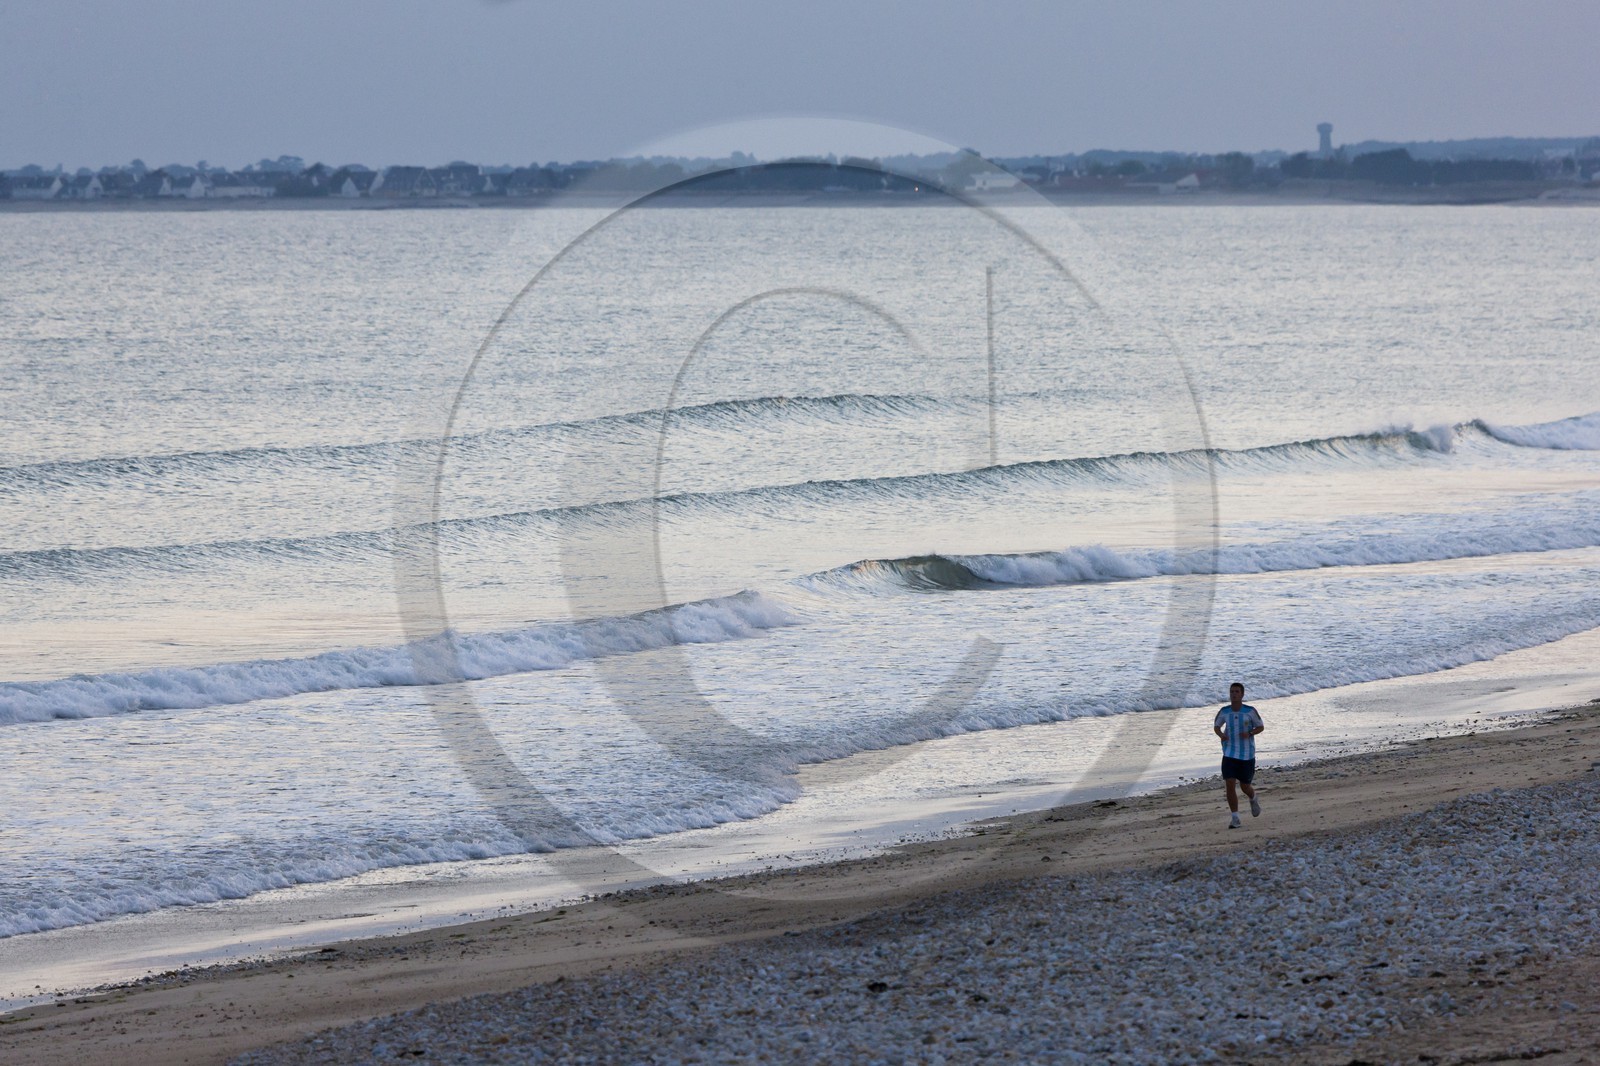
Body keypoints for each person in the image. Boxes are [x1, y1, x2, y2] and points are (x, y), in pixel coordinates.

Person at [1213, 682, 1264, 829]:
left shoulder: (1250, 711)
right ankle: (1235, 818)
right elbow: (1216, 726)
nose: (1233, 694)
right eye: (1231, 692)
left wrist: (1249, 733)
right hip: (1229, 752)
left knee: (1245, 786)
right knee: (1229, 783)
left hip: (1247, 754)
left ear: (1242, 694)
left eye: (1236, 692)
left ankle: (1253, 798)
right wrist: (1221, 734)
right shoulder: (1224, 711)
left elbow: (1260, 726)